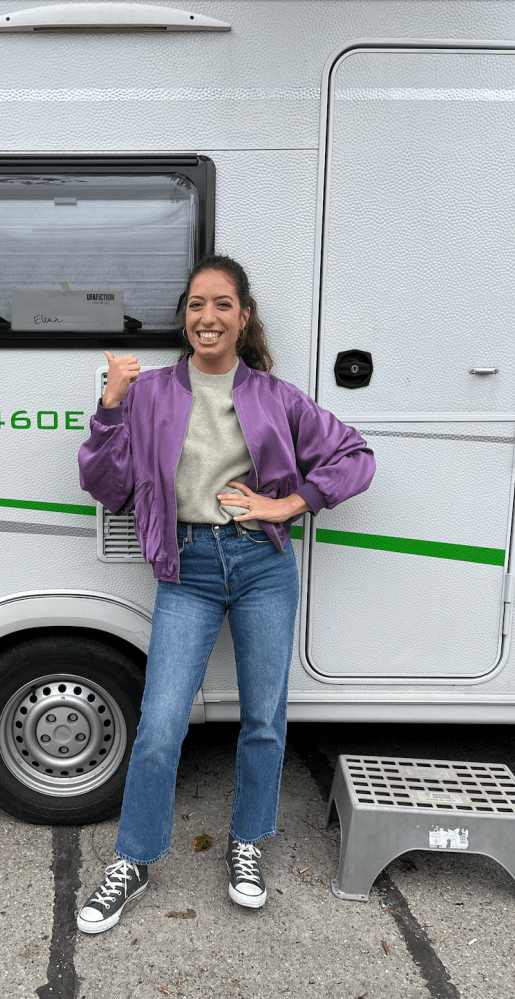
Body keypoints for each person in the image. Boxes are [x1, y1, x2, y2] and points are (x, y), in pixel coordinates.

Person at [76, 255, 375, 934]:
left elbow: (354, 456)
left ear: (243, 317)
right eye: (195, 305)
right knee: (160, 724)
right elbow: (107, 486)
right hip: (187, 568)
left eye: (221, 305)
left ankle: (247, 843)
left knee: (264, 718)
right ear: (184, 318)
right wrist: (110, 407)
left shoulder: (276, 396)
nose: (206, 317)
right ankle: (134, 859)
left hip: (262, 565)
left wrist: (288, 505)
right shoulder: (151, 392)